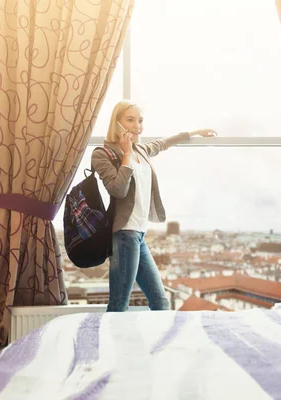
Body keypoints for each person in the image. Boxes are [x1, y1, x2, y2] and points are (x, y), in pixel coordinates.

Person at [91, 100, 216, 312]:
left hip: (139, 236)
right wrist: (127, 155)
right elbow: (118, 190)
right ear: (117, 122)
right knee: (119, 303)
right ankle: (109, 344)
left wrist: (194, 132)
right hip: (124, 235)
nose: (137, 126)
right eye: (130, 120)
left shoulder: (142, 151)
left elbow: (164, 143)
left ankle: (159, 345)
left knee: (161, 302)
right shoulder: (102, 154)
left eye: (140, 121)